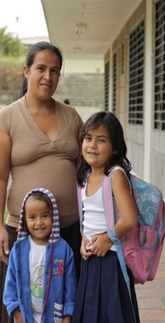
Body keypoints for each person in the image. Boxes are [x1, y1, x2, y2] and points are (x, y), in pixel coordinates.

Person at [0, 41, 83, 322]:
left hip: (69, 232)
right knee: (22, 309)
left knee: (66, 308)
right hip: (23, 234)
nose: (48, 77)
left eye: (55, 70)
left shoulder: (72, 117)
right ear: (26, 71)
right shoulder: (6, 118)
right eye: (41, 68)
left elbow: (89, 167)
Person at [73, 111, 140, 323]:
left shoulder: (115, 175)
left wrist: (108, 238)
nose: (92, 145)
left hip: (112, 261)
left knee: (113, 313)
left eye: (101, 140)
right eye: (88, 138)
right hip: (91, 259)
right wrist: (84, 238)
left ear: (115, 147)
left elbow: (129, 219)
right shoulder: (85, 176)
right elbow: (88, 216)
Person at [4, 188, 77, 323]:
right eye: (32, 217)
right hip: (26, 317)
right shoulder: (18, 250)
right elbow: (10, 285)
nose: (39, 223)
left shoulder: (63, 250)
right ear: (25, 220)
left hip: (55, 318)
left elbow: (70, 287)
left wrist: (67, 316)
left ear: (53, 216)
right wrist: (17, 313)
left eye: (44, 216)